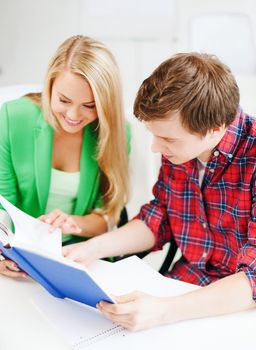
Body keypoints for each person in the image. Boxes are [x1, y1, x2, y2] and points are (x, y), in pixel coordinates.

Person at [63, 52, 256, 331]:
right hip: (180, 286)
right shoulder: (181, 147)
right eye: (154, 135)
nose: (155, 147)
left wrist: (164, 311)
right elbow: (161, 216)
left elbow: (252, 278)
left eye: (167, 139)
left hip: (235, 308)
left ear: (215, 130)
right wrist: (95, 248)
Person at [0, 35, 130, 277]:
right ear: (49, 86)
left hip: (81, 252)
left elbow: (107, 216)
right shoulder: (13, 117)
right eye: (64, 100)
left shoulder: (115, 132)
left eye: (89, 105)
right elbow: (2, 203)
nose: (73, 115)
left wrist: (73, 222)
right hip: (19, 249)